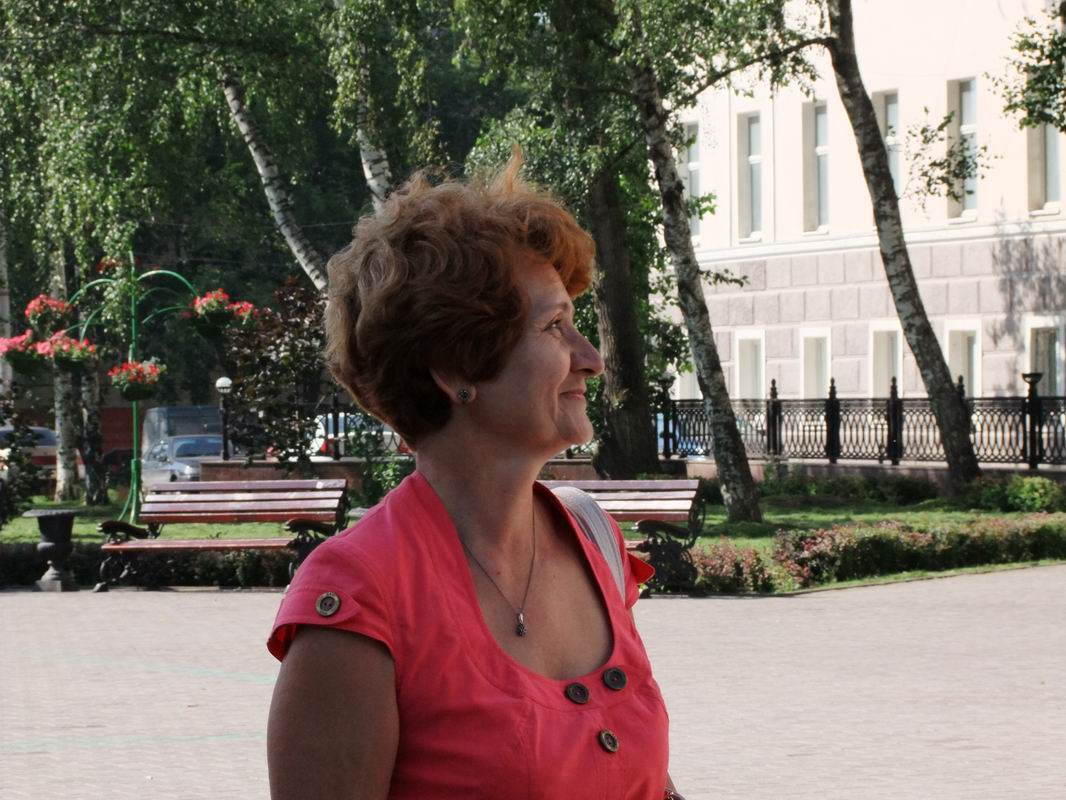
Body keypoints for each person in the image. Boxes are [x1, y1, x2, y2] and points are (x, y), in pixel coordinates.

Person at [266, 154, 684, 799]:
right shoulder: (361, 598)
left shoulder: (592, 538)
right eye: (554, 326)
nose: (591, 358)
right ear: (456, 368)